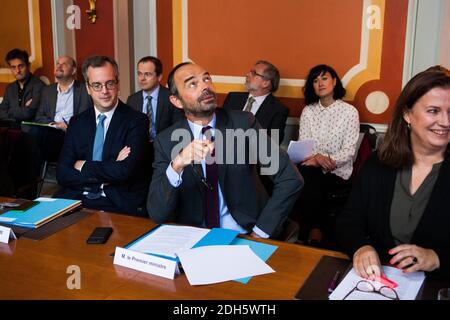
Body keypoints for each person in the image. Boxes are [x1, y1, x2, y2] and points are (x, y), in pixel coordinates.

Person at [147, 62, 303, 238]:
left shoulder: (244, 124)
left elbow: (290, 178)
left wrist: (261, 233)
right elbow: (157, 213)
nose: (205, 86)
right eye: (193, 83)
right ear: (176, 101)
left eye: (207, 79)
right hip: (195, 239)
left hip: (244, 234)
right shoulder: (166, 141)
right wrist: (177, 165)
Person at [336, 70, 450, 279]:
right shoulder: (378, 163)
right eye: (433, 111)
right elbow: (349, 220)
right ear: (407, 114)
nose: (445, 122)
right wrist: (360, 247)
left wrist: (436, 258)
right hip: (377, 283)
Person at [55, 56, 150, 216]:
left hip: (116, 202)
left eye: (110, 83)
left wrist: (83, 165)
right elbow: (63, 174)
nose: (104, 91)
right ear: (88, 88)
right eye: (97, 85)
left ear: (118, 84)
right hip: (77, 199)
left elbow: (124, 171)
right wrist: (112, 166)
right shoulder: (77, 122)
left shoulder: (137, 121)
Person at [291, 64, 359, 245]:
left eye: (324, 78)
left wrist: (324, 160)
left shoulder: (349, 112)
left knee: (308, 179)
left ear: (334, 81)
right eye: (315, 80)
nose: (320, 83)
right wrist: (317, 158)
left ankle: (304, 231)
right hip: (311, 166)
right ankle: (315, 231)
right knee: (307, 175)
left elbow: (349, 151)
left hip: (337, 171)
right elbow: (305, 145)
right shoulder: (308, 111)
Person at [32, 56, 92, 162]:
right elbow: (39, 116)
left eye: (64, 64)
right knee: (33, 132)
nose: (59, 67)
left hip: (71, 132)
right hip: (51, 130)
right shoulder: (47, 90)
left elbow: (88, 117)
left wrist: (68, 126)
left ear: (73, 70)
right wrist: (55, 124)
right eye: (57, 64)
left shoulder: (84, 90)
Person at [223, 60, 289, 144]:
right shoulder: (233, 98)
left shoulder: (278, 110)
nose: (247, 75)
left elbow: (272, 143)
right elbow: (219, 126)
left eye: (253, 73)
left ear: (265, 83)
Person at [126, 56, 184, 141]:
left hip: (165, 147)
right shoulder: (132, 100)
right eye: (139, 74)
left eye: (147, 74)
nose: (142, 78)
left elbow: (178, 128)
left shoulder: (172, 98)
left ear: (159, 77)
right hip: (140, 147)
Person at [0, 48, 45, 123]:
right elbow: (1, 111)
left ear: (28, 66)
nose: (17, 71)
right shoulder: (10, 88)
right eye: (13, 67)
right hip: (11, 129)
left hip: (29, 130)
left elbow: (28, 113)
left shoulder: (39, 86)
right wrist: (22, 109)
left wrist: (9, 110)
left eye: (20, 66)